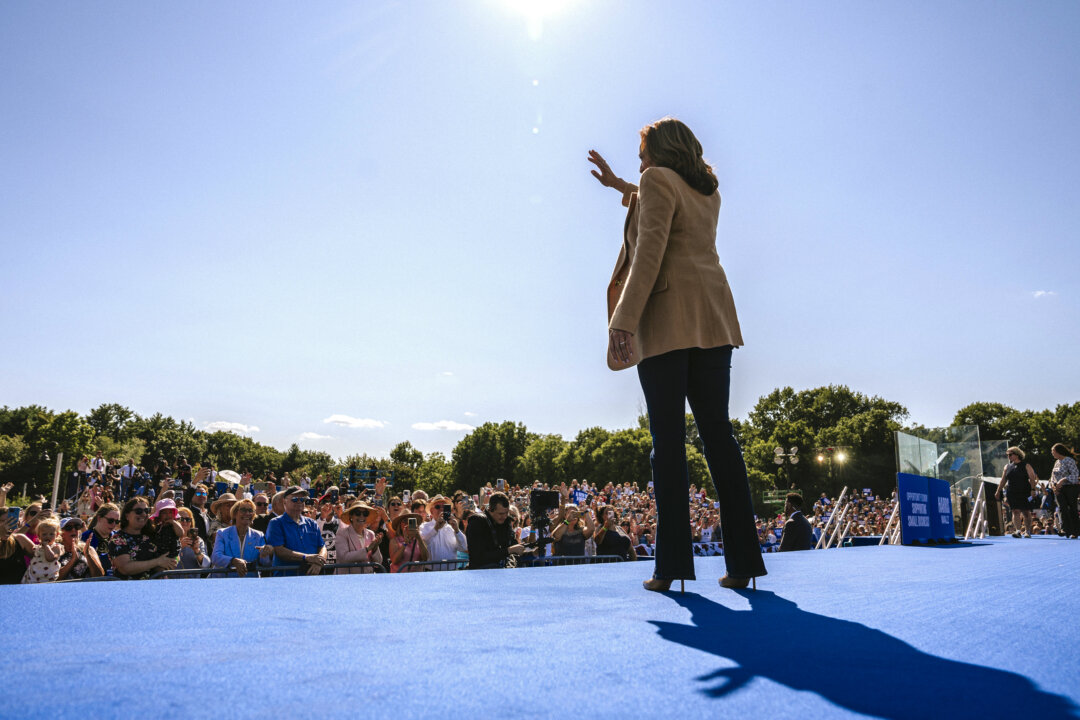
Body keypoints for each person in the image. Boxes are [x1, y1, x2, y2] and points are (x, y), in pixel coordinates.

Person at [589, 117, 766, 592]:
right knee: (720, 441)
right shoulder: (707, 191)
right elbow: (657, 201)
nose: (639, 159)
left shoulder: (656, 180)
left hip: (667, 320)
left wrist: (622, 319)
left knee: (667, 445)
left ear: (661, 151)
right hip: (713, 318)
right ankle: (744, 564)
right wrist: (618, 186)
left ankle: (670, 568)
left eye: (642, 149)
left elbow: (650, 246)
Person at [107, 496, 177, 580]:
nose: (143, 514)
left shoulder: (153, 535)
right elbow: (125, 568)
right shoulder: (118, 539)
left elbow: (163, 561)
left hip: (155, 588)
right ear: (127, 516)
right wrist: (157, 562)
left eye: (146, 511)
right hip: (128, 589)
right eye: (138, 511)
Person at [266, 487, 326, 576]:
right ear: (284, 502)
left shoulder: (312, 523)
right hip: (286, 578)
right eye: (295, 499)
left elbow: (322, 547)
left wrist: (319, 562)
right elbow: (279, 550)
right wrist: (306, 557)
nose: (299, 502)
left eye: (302, 499)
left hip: (310, 578)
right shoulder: (276, 523)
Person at [211, 499, 274, 578]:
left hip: (249, 582)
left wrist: (267, 553)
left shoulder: (259, 535)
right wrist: (233, 561)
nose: (247, 513)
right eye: (243, 510)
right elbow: (216, 557)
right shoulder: (222, 533)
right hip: (225, 581)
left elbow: (265, 563)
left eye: (250, 510)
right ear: (234, 514)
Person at [465, 492, 526, 570]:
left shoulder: (506, 522)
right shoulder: (476, 522)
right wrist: (508, 551)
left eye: (506, 513)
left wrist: (529, 551)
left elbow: (512, 545)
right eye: (500, 514)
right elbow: (478, 557)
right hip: (481, 574)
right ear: (490, 509)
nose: (504, 517)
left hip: (501, 573)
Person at [996, 447, 1038, 538]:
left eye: (1010, 454)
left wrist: (1033, 490)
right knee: (1015, 511)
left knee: (1026, 512)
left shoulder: (1026, 465)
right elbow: (1003, 480)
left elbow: (1032, 478)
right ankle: (1018, 531)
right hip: (1012, 491)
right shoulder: (1007, 467)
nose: (1009, 456)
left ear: (1017, 454)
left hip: (1024, 491)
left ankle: (1027, 531)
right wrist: (998, 491)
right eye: (1007, 455)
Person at [335, 502, 384, 574]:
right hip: (347, 580)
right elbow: (344, 558)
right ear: (351, 516)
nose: (362, 516)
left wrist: (375, 548)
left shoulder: (371, 534)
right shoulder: (342, 533)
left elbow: (378, 562)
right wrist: (367, 549)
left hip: (367, 579)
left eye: (365, 514)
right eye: (358, 513)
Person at [419, 495, 467, 568]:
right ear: (431, 511)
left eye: (444, 507)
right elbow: (423, 544)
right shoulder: (424, 526)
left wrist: (457, 530)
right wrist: (435, 529)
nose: (441, 509)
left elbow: (463, 547)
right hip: (431, 574)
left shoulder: (452, 527)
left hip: (451, 573)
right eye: (438, 507)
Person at [1050, 443, 1079, 538]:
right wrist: (1053, 486)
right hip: (1059, 489)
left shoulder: (1069, 460)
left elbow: (1075, 475)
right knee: (1062, 508)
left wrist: (1062, 480)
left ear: (1059, 452)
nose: (1052, 453)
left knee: (1072, 508)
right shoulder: (1057, 462)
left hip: (1070, 487)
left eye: (1053, 452)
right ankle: (1065, 529)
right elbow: (1053, 476)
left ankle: (1075, 531)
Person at [22, 517, 63, 583]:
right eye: (44, 534)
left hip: (48, 578)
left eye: (51, 534)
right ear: (39, 536)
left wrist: (46, 546)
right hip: (33, 577)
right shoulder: (37, 547)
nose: (48, 536)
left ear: (57, 535)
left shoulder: (56, 547)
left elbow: (50, 558)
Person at [175, 507, 211, 572]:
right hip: (173, 580)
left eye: (188, 519)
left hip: (193, 580)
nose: (185, 521)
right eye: (181, 519)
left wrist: (197, 551)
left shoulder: (198, 540)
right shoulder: (170, 539)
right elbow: (167, 563)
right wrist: (179, 547)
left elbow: (207, 564)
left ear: (191, 522)